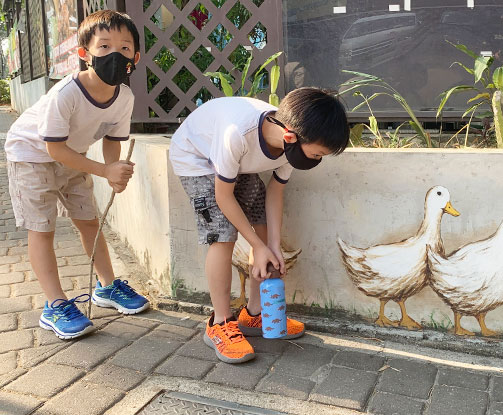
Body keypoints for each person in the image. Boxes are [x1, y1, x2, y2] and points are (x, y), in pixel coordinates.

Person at [169, 88, 349, 363]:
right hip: (196, 158)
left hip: (236, 165)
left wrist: (271, 246)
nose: (317, 160)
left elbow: (275, 191)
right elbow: (222, 196)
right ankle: (219, 323)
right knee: (222, 234)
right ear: (290, 136)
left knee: (259, 221)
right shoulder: (237, 134)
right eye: (317, 154)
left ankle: (255, 314)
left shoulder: (290, 145)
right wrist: (255, 245)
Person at [4, 10, 149, 340]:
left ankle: (107, 288)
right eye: (104, 46)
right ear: (84, 54)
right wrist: (103, 170)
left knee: (88, 221)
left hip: (74, 157)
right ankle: (55, 305)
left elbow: (113, 141)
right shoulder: (66, 94)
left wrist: (115, 173)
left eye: (125, 48)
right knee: (42, 228)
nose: (115, 54)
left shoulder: (124, 97)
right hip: (31, 155)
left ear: (135, 58)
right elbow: (54, 150)